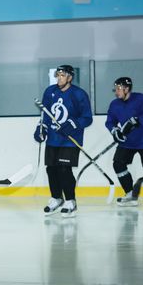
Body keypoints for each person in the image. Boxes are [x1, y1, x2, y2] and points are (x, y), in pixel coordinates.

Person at [34, 65, 93, 217]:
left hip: (70, 140)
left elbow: (87, 118)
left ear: (70, 77)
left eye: (62, 75)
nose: (58, 78)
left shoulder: (78, 94)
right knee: (51, 169)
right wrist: (42, 128)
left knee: (64, 169)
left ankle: (70, 201)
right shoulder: (50, 91)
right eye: (57, 75)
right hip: (53, 139)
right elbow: (45, 114)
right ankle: (56, 198)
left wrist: (73, 124)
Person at [105, 77, 143, 207]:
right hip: (127, 142)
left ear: (127, 88)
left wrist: (137, 120)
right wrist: (115, 131)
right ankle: (130, 194)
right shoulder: (114, 104)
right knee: (118, 164)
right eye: (115, 89)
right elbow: (109, 122)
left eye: (119, 89)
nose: (116, 92)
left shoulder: (141, 99)